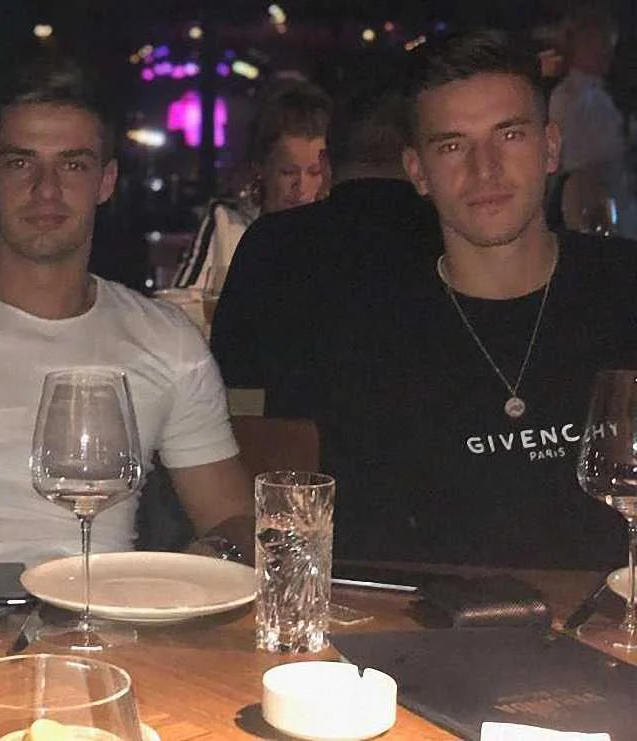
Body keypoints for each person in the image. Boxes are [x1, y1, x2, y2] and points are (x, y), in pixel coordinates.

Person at [0, 56, 253, 579]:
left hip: (97, 615)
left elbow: (235, 521)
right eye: (21, 163)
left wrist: (197, 567)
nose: (46, 189)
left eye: (72, 165)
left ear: (106, 181)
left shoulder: (168, 341)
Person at [252, 30, 637, 568]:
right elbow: (363, 560)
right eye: (453, 146)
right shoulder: (367, 336)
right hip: (432, 619)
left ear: (551, 147)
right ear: (417, 171)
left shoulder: (623, 289)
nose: (485, 170)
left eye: (509, 135)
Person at [210, 70, 442, 404]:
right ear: (415, 163)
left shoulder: (269, 242)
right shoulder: (449, 238)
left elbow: (233, 383)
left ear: (326, 164)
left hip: (289, 436)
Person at [172, 79, 332, 292]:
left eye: (314, 173)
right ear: (260, 168)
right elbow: (180, 304)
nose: (301, 187)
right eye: (288, 172)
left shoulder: (338, 232)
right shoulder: (227, 223)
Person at [548, 4, 637, 237]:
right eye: (600, 45)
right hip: (591, 203)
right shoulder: (567, 97)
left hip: (617, 199)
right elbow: (576, 160)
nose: (606, 54)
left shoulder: (602, 97)